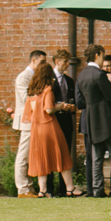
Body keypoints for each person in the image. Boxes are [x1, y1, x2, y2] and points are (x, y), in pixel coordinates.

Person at [78, 45, 111, 198]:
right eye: (102, 55)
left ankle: (97, 189)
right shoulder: (100, 75)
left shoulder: (81, 76)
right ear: (98, 55)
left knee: (97, 157)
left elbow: (80, 103)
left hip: (92, 121)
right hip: (108, 121)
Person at [21, 60, 67, 197]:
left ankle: (42, 190)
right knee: (58, 155)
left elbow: (30, 112)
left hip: (36, 127)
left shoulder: (33, 90)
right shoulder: (48, 89)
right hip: (48, 126)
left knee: (41, 159)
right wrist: (60, 106)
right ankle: (68, 188)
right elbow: (49, 109)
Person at [12, 49, 47, 196]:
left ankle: (29, 186)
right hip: (27, 121)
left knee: (31, 155)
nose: (43, 65)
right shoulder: (23, 77)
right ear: (33, 60)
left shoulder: (34, 76)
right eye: (41, 62)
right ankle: (22, 188)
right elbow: (27, 98)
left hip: (34, 120)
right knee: (23, 155)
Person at [51, 50, 82, 196]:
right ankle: (49, 189)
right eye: (65, 62)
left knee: (65, 155)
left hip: (66, 121)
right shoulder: (48, 79)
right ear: (57, 61)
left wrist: (72, 107)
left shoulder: (69, 81)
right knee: (51, 154)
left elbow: (74, 100)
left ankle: (63, 190)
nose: (67, 64)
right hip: (52, 121)